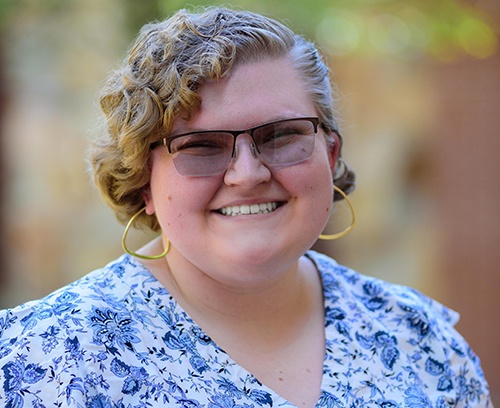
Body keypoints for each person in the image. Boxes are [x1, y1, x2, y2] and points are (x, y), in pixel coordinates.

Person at [0, 6, 492, 408]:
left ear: (332, 154)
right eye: (202, 146)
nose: (248, 174)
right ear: (143, 179)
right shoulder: (42, 361)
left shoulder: (422, 341)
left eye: (280, 136)